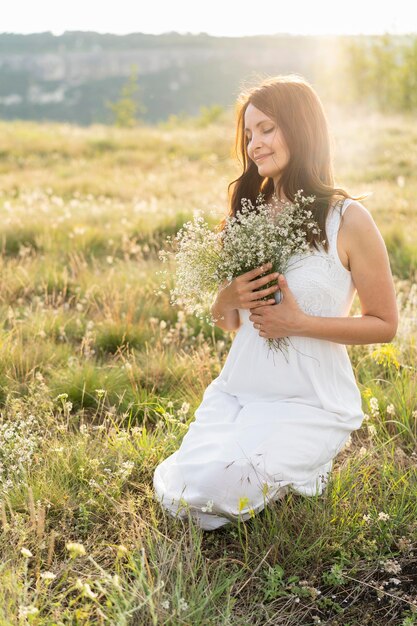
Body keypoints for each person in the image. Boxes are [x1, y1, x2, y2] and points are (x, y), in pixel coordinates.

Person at [153, 74, 398, 531]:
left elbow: (384, 324)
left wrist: (299, 322)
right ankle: (279, 469)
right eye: (248, 134)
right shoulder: (246, 215)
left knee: (220, 490)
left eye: (266, 129)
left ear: (301, 127)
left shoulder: (347, 219)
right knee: (190, 492)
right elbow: (230, 322)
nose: (254, 145)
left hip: (309, 401)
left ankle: (305, 466)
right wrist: (227, 296)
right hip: (239, 392)